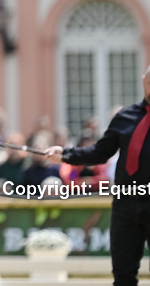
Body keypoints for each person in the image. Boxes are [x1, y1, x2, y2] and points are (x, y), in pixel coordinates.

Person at [46, 66, 150, 286]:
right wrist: (65, 154)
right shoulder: (125, 117)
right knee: (123, 275)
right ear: (143, 81)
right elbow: (100, 152)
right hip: (126, 205)